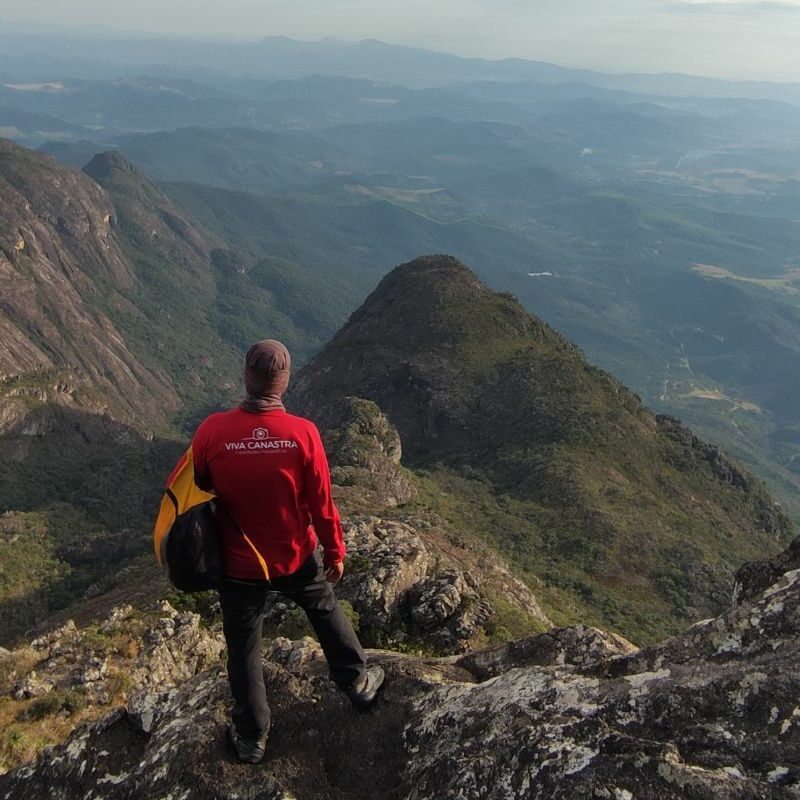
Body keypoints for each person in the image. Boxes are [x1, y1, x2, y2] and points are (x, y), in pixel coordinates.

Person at [191, 339, 384, 764]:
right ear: (284, 382)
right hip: (294, 555)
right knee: (323, 608)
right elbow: (321, 503)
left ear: (246, 376)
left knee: (243, 645)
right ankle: (357, 683)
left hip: (239, 563)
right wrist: (335, 551)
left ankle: (251, 737)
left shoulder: (211, 431)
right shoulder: (303, 434)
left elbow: (199, 485)